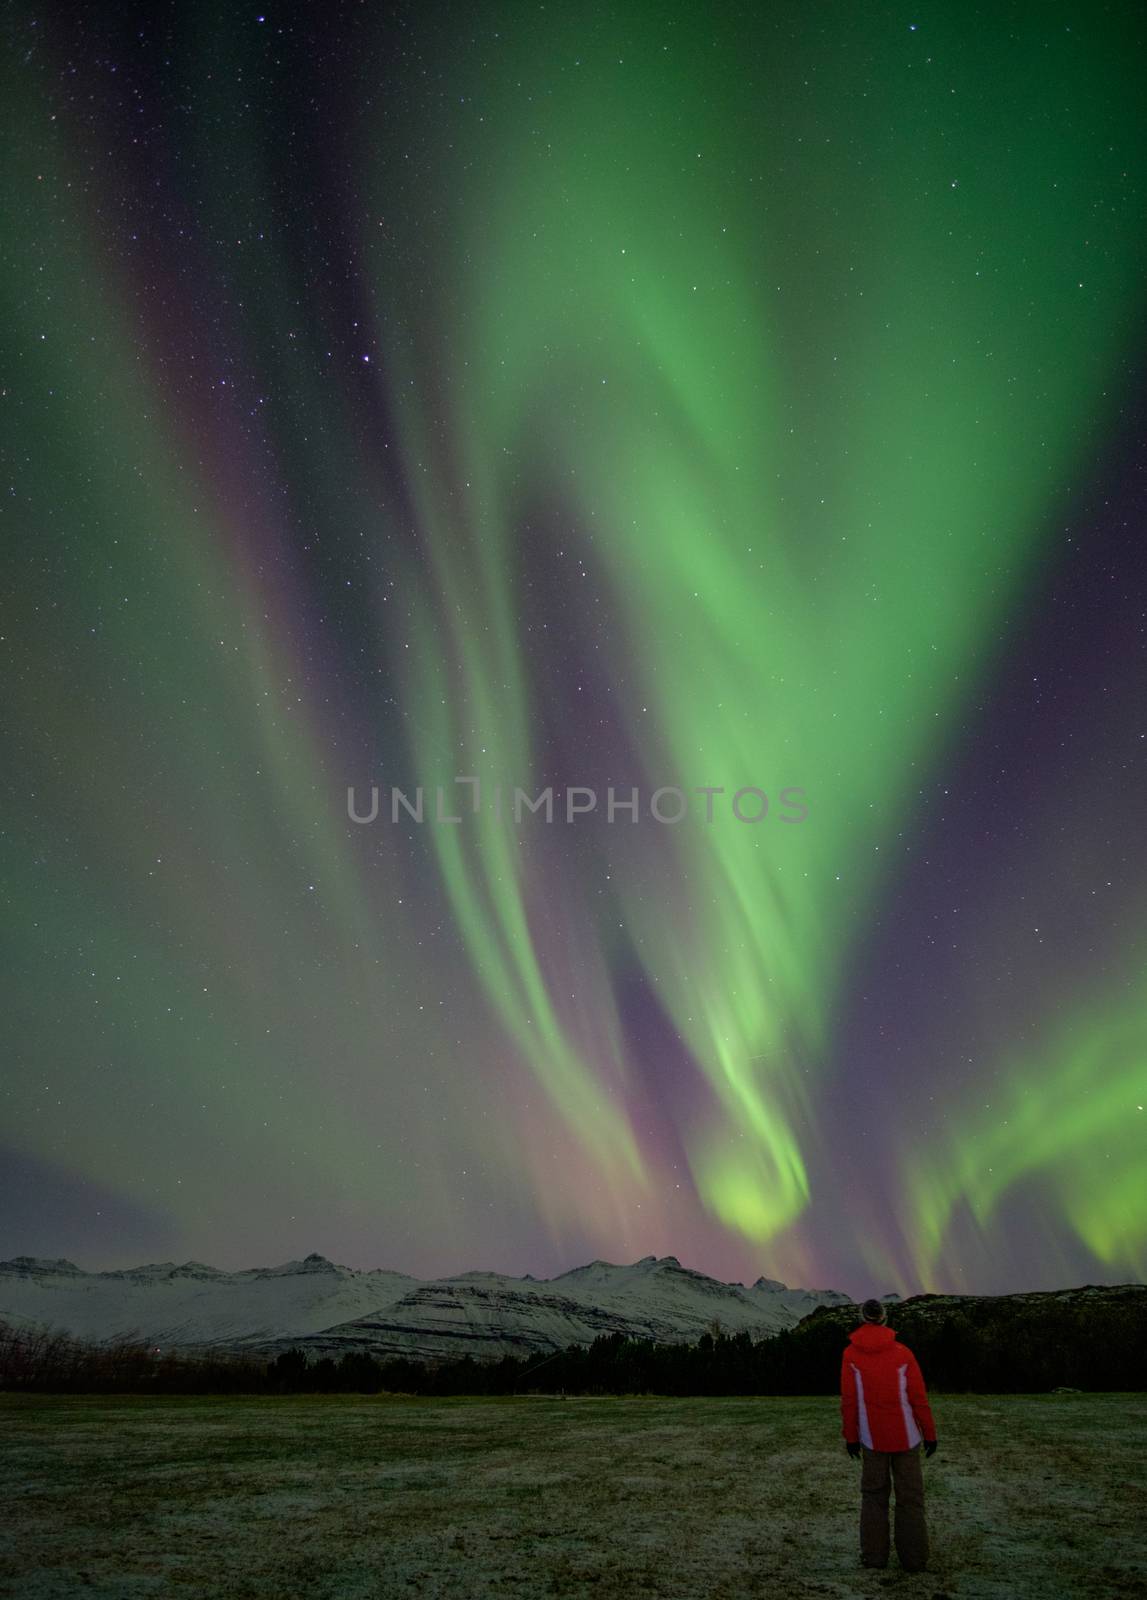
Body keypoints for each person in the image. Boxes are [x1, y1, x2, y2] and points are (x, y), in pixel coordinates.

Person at [840, 1297, 938, 1572]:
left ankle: (874, 1557)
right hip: (907, 1437)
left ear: (863, 1318)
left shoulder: (851, 1355)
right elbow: (918, 1398)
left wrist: (850, 1436)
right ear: (884, 1318)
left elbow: (849, 1400)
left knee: (873, 1497)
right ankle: (914, 1559)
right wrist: (929, 1432)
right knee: (911, 1498)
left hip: (872, 1439)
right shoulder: (903, 1353)